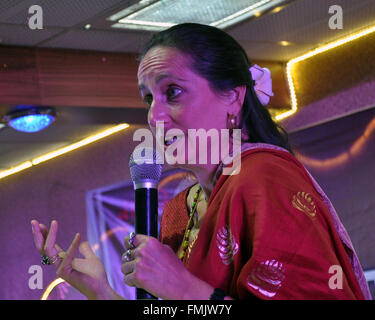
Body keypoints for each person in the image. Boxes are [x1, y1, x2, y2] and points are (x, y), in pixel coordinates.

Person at [31, 23, 371, 300]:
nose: (154, 116)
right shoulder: (181, 208)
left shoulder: (263, 178)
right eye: (148, 98)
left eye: (172, 92)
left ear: (233, 98)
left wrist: (186, 289)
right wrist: (101, 291)